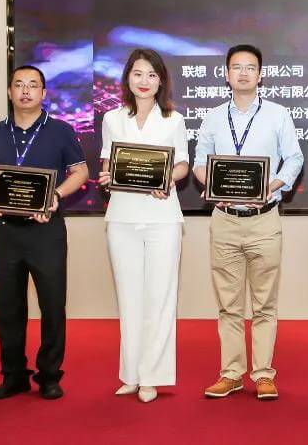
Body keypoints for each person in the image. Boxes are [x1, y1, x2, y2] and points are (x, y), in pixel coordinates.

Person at [193, 44, 304, 401]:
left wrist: (270, 186)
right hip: (225, 220)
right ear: (226, 74)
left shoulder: (278, 115)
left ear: (260, 75)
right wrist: (212, 186)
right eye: (236, 67)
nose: (243, 73)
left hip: (263, 219)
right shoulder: (212, 117)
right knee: (229, 304)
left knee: (264, 303)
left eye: (250, 67)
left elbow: (294, 159)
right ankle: (231, 373)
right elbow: (199, 162)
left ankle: (264, 373)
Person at [0, 65, 89, 400]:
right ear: (10, 92)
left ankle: (50, 375)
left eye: (33, 85)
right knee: (8, 306)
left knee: (52, 305)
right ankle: (13, 375)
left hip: (46, 231)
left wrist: (56, 195)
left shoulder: (61, 130)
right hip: (6, 231)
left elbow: (80, 172)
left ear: (43, 93)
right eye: (19, 85)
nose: (25, 91)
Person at [97, 49, 189, 403]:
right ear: (128, 78)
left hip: (163, 217)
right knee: (129, 298)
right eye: (138, 73)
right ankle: (131, 375)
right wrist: (107, 176)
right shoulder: (112, 118)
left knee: (160, 298)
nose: (144, 81)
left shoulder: (173, 120)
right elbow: (108, 162)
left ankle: (153, 376)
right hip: (121, 216)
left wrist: (168, 179)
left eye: (152, 74)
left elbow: (181, 164)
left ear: (161, 80)